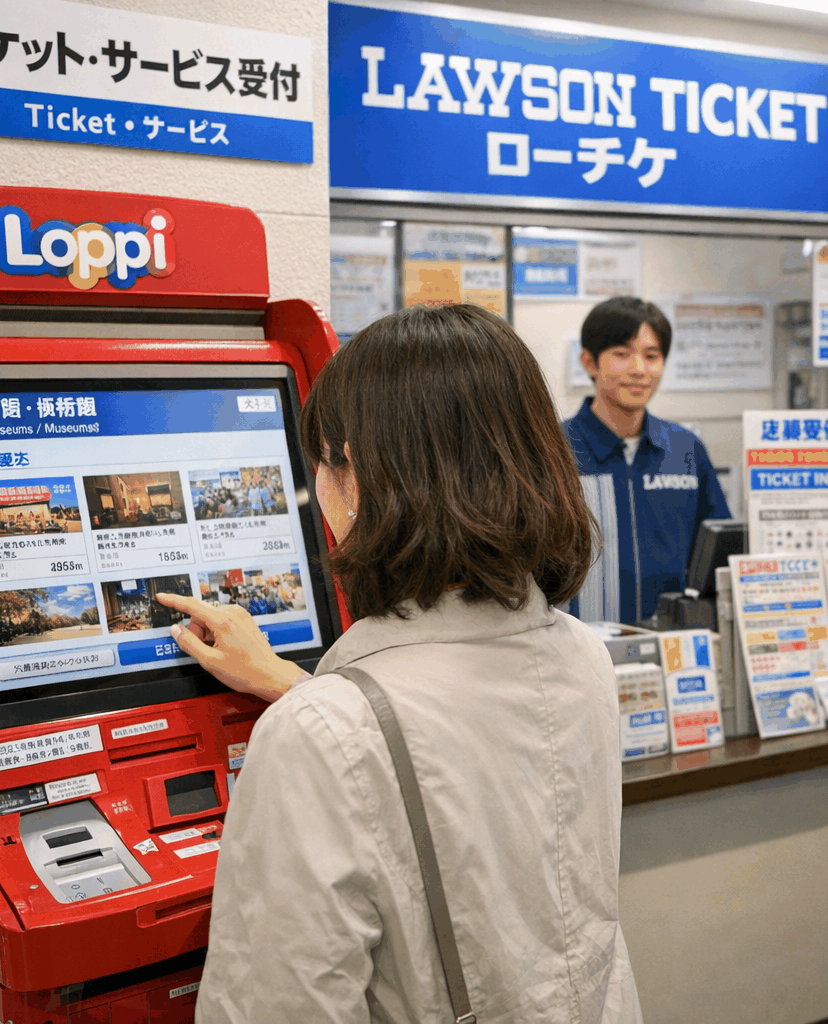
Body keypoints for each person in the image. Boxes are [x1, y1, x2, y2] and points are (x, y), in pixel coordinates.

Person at [158, 303, 642, 1024]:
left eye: (322, 460)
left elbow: (275, 1005)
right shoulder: (580, 655)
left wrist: (315, 707)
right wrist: (299, 684)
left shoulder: (317, 735)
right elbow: (456, 779)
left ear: (354, 476)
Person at [563, 296, 731, 624]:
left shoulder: (685, 450)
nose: (639, 370)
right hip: (583, 650)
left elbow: (716, 554)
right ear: (590, 362)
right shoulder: (552, 449)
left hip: (671, 646)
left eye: (651, 356)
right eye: (622, 355)